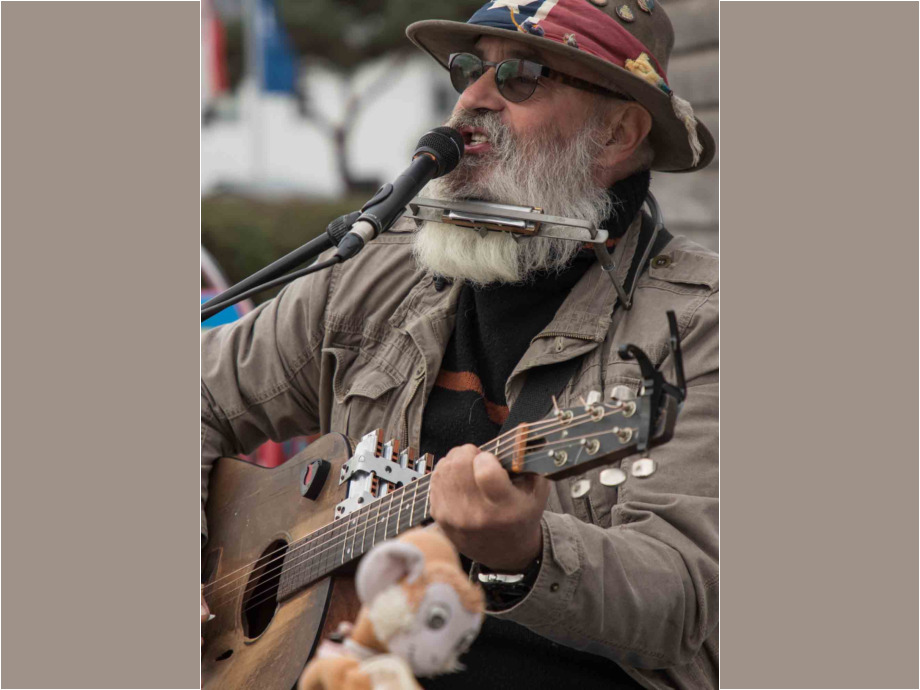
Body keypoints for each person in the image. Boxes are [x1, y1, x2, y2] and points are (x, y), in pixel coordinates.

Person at [201, 0, 718, 688]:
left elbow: (681, 595)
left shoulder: (705, 324)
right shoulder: (373, 272)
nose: (471, 100)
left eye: (522, 77)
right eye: (469, 70)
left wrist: (528, 552)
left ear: (617, 133)